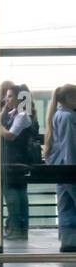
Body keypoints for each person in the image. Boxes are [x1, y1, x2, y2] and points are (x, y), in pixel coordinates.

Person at [0, 83, 38, 239]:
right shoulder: (18, 113)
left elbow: (10, 135)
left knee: (12, 194)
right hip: (18, 160)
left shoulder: (22, 116)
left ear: (19, 98)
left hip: (14, 161)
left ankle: (16, 229)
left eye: (9, 96)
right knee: (20, 194)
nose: (5, 99)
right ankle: (20, 229)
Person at [44, 84, 76, 252]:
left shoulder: (58, 114)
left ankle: (68, 241)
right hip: (68, 168)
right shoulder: (69, 116)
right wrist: (73, 167)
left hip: (60, 168)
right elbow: (69, 145)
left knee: (65, 205)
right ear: (68, 99)